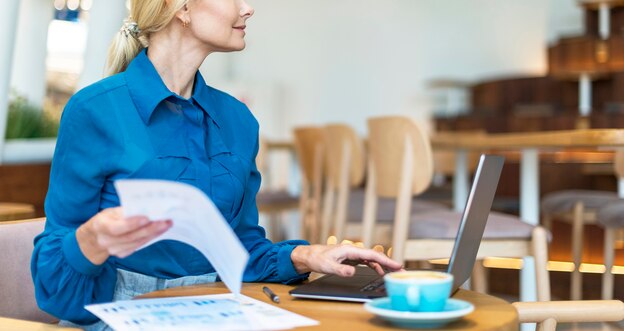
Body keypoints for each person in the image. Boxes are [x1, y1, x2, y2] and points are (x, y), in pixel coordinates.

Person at [31, 0, 402, 328]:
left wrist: (308, 255)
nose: (248, 8)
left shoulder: (238, 120)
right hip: (119, 315)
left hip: (222, 310)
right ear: (183, 9)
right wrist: (90, 241)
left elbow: (239, 250)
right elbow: (55, 287)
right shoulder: (94, 110)